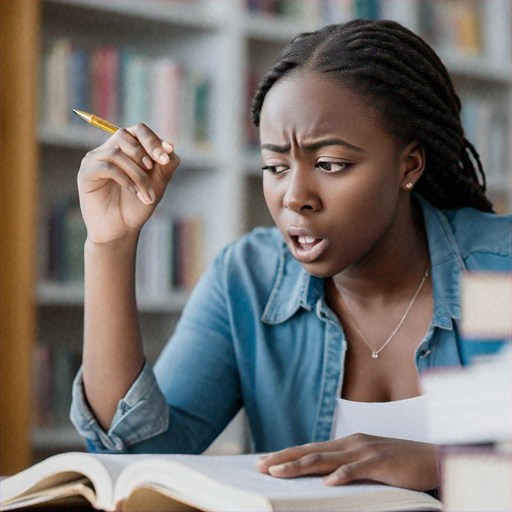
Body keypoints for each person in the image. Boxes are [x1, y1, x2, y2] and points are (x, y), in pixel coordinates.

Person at [70, 19, 511, 492]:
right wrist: (109, 245)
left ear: (409, 165)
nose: (295, 196)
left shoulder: (496, 273)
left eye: (330, 165)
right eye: (275, 166)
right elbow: (136, 458)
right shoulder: (249, 280)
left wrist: (441, 467)